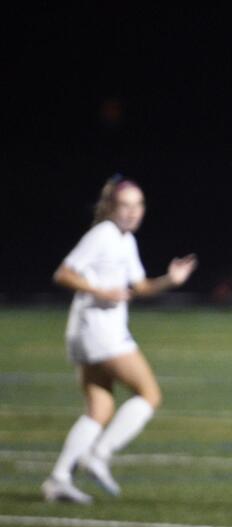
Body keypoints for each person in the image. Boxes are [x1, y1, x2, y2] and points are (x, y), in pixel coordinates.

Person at [42, 176, 198, 503]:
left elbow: (139, 287)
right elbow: (64, 273)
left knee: (99, 408)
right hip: (101, 331)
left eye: (138, 205)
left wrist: (170, 279)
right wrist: (100, 290)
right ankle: (99, 454)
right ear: (110, 207)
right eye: (125, 205)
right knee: (150, 394)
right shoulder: (103, 235)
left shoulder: (125, 240)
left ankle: (58, 478)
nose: (132, 212)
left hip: (86, 331)